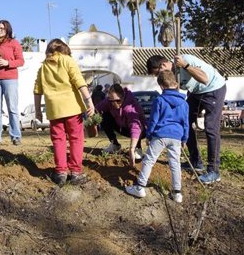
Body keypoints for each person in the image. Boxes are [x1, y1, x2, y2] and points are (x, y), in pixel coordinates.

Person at [146, 54, 227, 184]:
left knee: (211, 128)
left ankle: (214, 171)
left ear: (162, 66)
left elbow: (204, 79)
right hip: (196, 93)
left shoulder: (185, 60)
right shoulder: (172, 76)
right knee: (185, 122)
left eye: (157, 73)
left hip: (213, 89)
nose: (158, 77)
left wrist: (185, 65)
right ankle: (196, 162)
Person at [34, 39, 95, 185]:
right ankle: (75, 172)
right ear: (64, 49)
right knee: (76, 139)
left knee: (58, 140)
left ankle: (61, 172)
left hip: (54, 110)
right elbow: (79, 81)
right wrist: (89, 101)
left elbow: (37, 89)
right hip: (72, 108)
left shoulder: (43, 67)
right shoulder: (68, 61)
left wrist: (37, 110)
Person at [125, 70, 189, 203]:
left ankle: (140, 187)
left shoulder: (159, 100)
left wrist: (149, 135)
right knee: (175, 164)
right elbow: (186, 123)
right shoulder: (184, 103)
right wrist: (185, 138)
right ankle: (177, 193)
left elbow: (153, 120)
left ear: (161, 85)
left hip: (160, 135)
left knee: (149, 160)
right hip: (177, 136)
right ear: (175, 83)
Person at [97, 84, 146, 167]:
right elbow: (97, 108)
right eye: (111, 101)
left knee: (136, 127)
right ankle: (115, 144)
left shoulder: (130, 107)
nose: (114, 104)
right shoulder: (109, 102)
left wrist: (131, 148)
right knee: (104, 117)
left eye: (118, 101)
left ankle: (137, 148)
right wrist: (91, 118)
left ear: (123, 97)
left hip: (140, 130)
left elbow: (135, 128)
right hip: (122, 127)